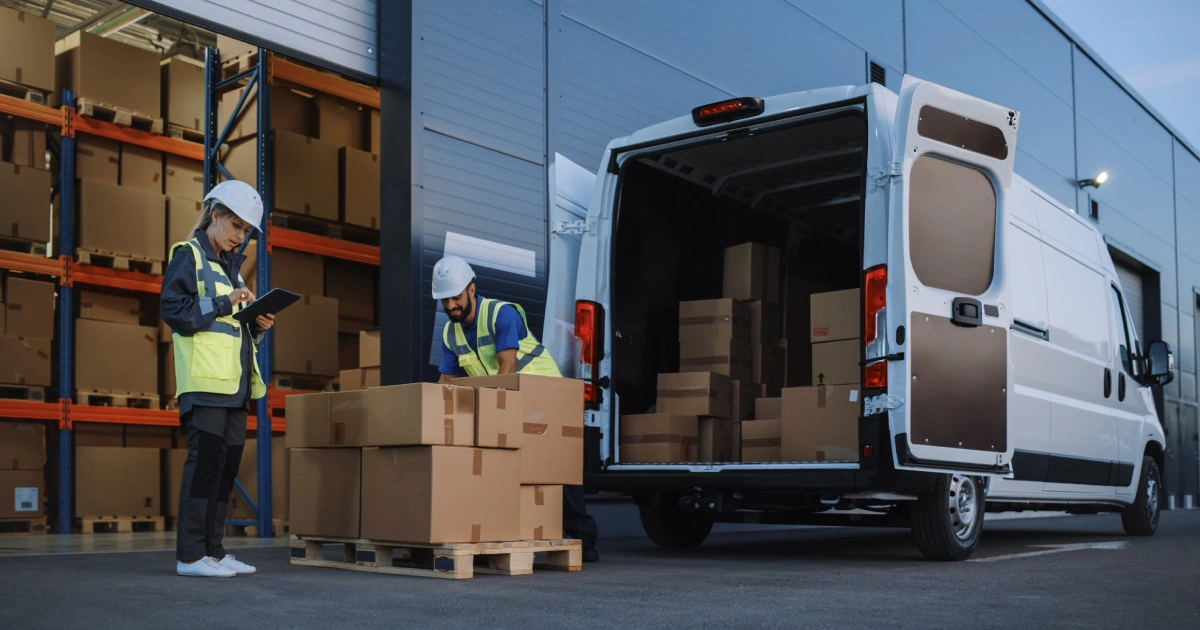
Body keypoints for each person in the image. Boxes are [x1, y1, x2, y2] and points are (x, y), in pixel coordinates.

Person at [433, 255, 600, 562]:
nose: (450, 306)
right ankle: (496, 534)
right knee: (505, 467)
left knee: (558, 467)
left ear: (472, 289)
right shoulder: (449, 333)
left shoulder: (501, 313)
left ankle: (582, 538)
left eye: (455, 297)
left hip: (548, 396)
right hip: (509, 399)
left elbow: (507, 368)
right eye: (444, 301)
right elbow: (446, 381)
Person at [161, 180, 273, 578]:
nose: (240, 236)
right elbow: (174, 309)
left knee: (225, 468)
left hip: (233, 388)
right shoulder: (188, 255)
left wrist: (256, 325)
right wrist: (228, 301)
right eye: (236, 226)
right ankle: (190, 555)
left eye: (246, 230)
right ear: (215, 215)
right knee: (204, 466)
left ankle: (213, 550)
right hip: (205, 385)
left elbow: (230, 328)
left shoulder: (230, 268)